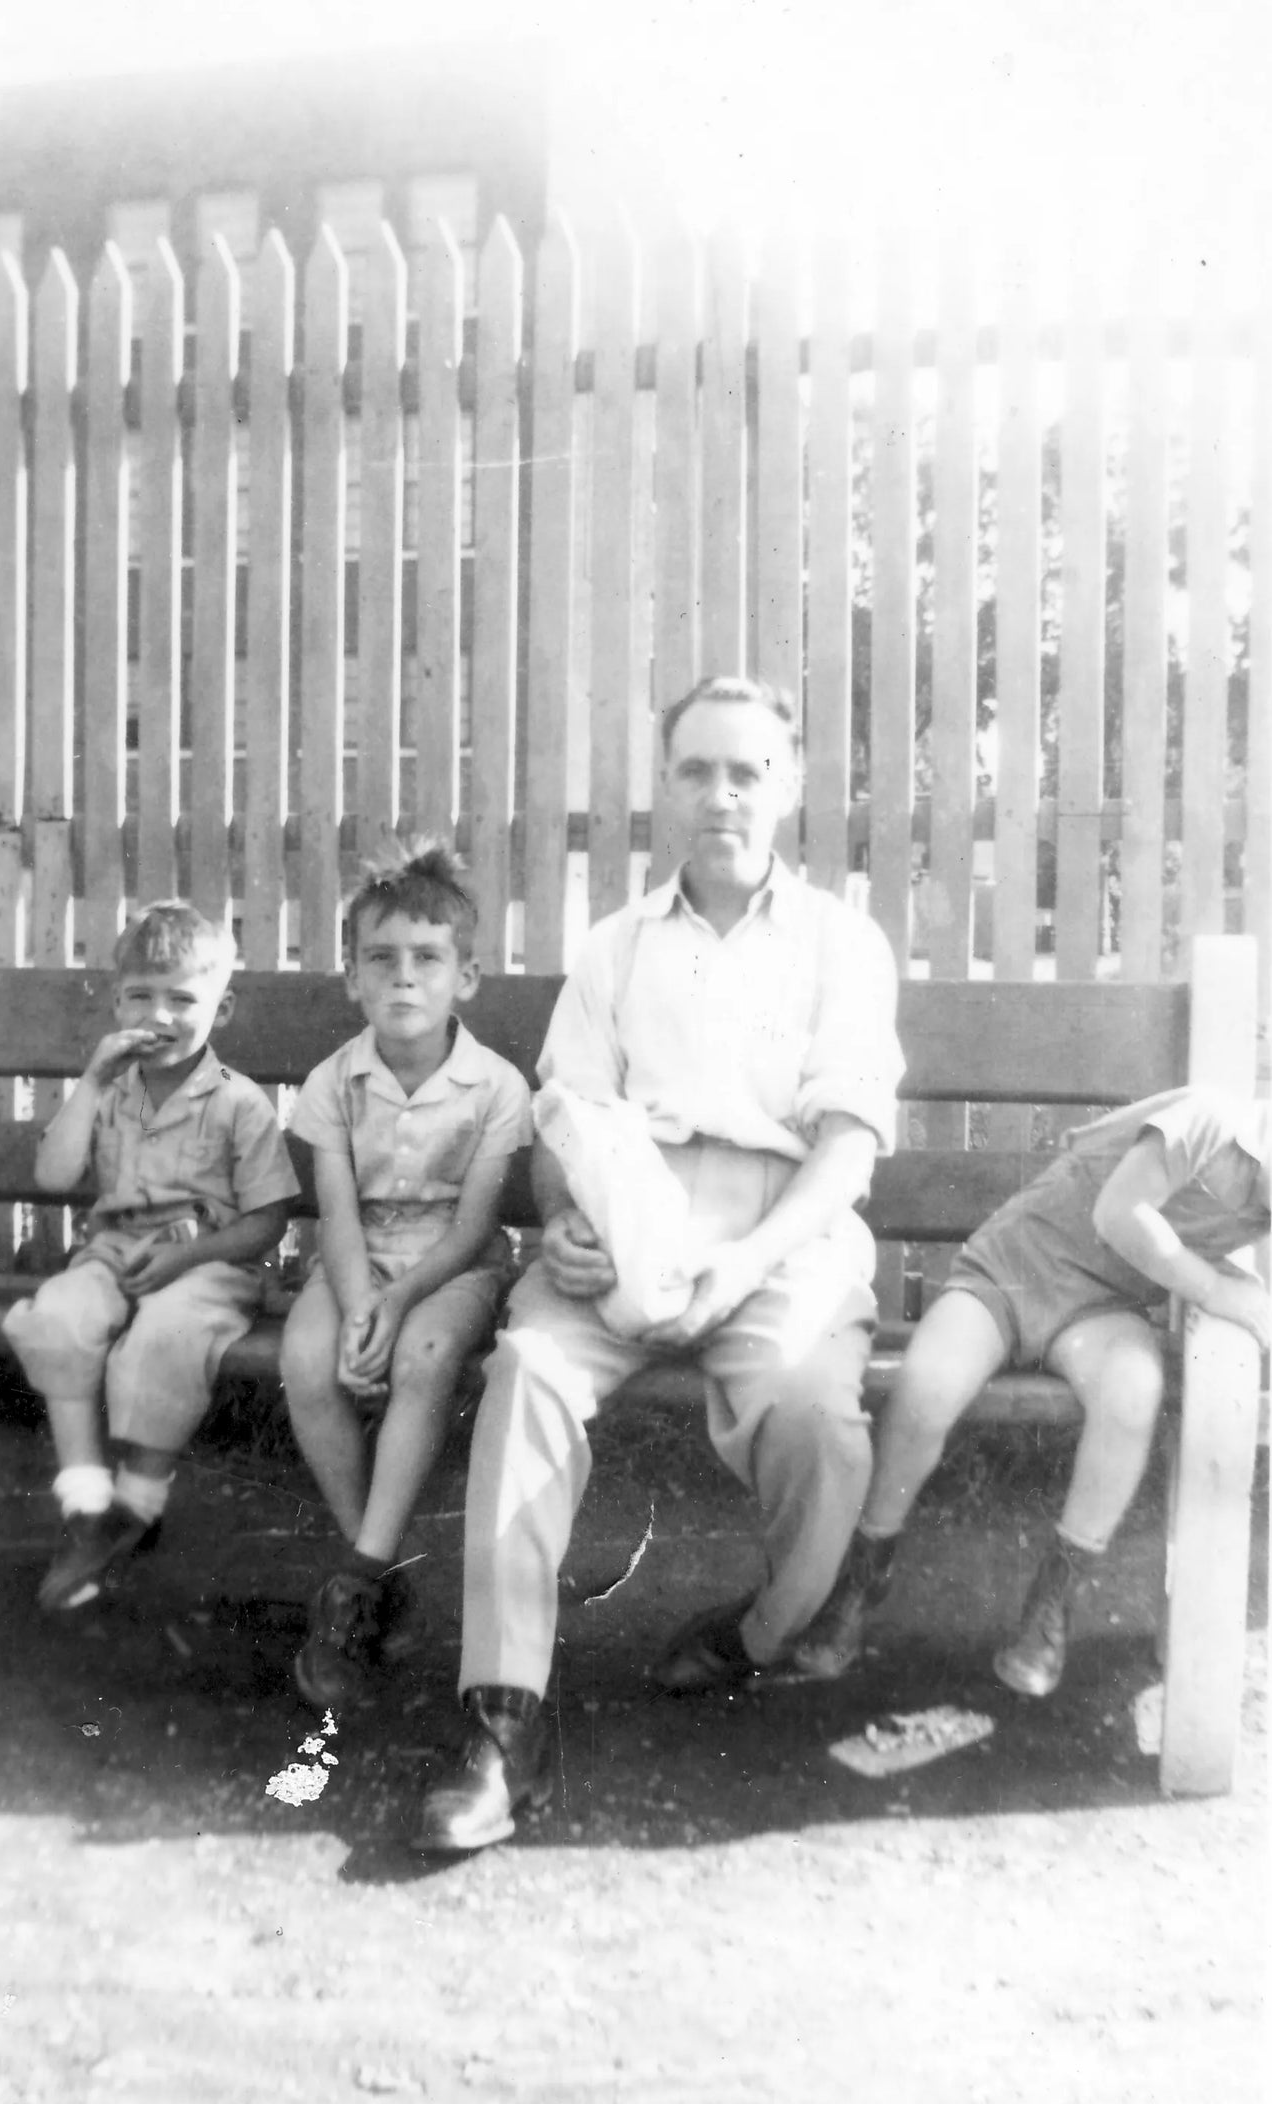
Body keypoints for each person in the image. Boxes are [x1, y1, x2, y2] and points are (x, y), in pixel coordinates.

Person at [414, 675, 906, 1855]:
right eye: (696, 770)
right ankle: (502, 1720)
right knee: (525, 1373)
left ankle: (765, 1629)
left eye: (746, 771)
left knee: (805, 1406)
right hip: (625, 1221)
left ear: (785, 787)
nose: (720, 794)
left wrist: (743, 1264)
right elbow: (563, 1116)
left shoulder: (840, 943)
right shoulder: (615, 946)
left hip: (781, 1226)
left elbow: (844, 1148)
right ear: (665, 788)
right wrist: (561, 1217)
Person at [793, 1087, 1271, 1697]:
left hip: (1100, 1309)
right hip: (1011, 1271)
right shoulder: (1210, 1120)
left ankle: (1054, 1599)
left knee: (1133, 1390)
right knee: (927, 1385)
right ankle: (866, 1569)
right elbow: (1119, 1214)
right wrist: (1211, 1288)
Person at [281, 841, 533, 1713]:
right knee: (308, 1361)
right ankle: (374, 1563)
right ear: (352, 978)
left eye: (427, 959)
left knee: (424, 1353)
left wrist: (393, 1303)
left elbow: (472, 1227)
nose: (403, 979)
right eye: (380, 960)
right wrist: (357, 1306)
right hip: (360, 1258)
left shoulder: (494, 1087)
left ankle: (354, 1584)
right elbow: (337, 1216)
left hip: (450, 1264)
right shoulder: (331, 1082)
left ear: (466, 977)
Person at [4, 901, 300, 1615]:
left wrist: (188, 1255)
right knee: (58, 1315)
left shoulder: (239, 1104)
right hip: (111, 1255)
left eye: (181, 999)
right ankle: (86, 1507)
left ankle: (136, 1502)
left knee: (165, 1335)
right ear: (116, 1002)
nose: (159, 1015)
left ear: (221, 1009)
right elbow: (52, 1175)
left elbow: (267, 1222)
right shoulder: (110, 1093)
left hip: (206, 1266)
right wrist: (90, 1083)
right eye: (141, 995)